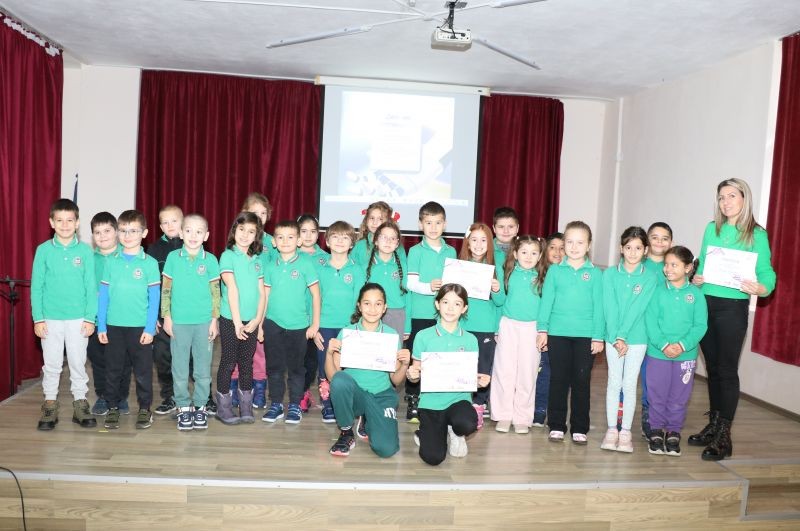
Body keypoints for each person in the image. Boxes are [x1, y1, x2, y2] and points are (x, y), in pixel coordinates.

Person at [690, 178, 776, 461]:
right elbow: (702, 264)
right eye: (721, 197)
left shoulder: (756, 234)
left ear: (744, 198)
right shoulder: (711, 228)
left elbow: (766, 273)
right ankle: (714, 426)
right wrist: (697, 277)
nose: (725, 202)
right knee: (713, 368)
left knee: (726, 370)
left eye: (731, 196)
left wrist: (761, 288)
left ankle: (724, 437)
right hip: (706, 304)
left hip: (733, 308)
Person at [31, 198, 97, 430]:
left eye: (70, 220)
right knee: (52, 364)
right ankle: (50, 404)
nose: (65, 225)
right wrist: (38, 318)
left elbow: (91, 287)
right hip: (50, 319)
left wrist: (90, 318)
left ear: (77, 223)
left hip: (78, 319)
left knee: (78, 363)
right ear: (52, 222)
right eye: (60, 220)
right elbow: (37, 287)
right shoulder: (43, 250)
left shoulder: (85, 251)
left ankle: (80, 403)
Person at [406, 284, 490, 465]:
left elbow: (469, 375)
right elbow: (416, 372)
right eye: (445, 302)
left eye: (457, 304)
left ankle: (455, 431)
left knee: (467, 423)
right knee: (433, 458)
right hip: (431, 402)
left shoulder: (470, 340)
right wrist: (412, 375)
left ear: (464, 308)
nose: (450, 308)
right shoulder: (423, 336)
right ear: (437, 304)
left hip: (458, 400)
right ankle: (426, 432)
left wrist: (479, 381)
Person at [537, 221, 604, 445]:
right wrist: (543, 329)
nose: (574, 247)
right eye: (570, 242)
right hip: (558, 334)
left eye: (580, 242)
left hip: (585, 336)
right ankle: (556, 425)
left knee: (581, 381)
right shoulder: (555, 271)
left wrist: (598, 336)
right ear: (564, 244)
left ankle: (579, 427)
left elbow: (599, 307)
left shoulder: (595, 274)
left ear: (589, 245)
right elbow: (546, 302)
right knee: (558, 380)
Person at [325, 283, 411, 457]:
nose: (372, 309)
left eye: (378, 304)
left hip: (381, 395)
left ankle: (368, 419)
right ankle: (346, 432)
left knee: (386, 449)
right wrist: (328, 353)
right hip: (355, 395)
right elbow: (333, 377)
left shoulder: (391, 335)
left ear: (385, 307)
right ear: (359, 306)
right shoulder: (347, 333)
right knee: (341, 380)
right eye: (367, 303)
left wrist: (404, 365)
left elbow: (395, 380)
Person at [97, 209, 161, 430]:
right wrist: (101, 325)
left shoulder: (150, 263)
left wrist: (150, 328)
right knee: (113, 370)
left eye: (133, 231)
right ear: (117, 232)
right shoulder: (111, 262)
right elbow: (103, 296)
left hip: (140, 328)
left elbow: (154, 299)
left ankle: (144, 409)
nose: (127, 235)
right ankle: (113, 407)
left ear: (144, 233)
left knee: (142, 372)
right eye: (123, 230)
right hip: (114, 327)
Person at [645, 246, 707, 456]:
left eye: (674, 265)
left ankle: (673, 431)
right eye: (666, 264)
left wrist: (682, 345)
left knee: (679, 396)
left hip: (685, 356)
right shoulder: (657, 292)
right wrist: (663, 345)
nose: (668, 269)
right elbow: (651, 321)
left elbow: (700, 326)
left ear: (688, 268)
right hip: (658, 353)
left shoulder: (696, 295)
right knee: (657, 393)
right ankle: (655, 430)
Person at [161, 214, 221, 431]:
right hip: (178, 323)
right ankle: (183, 407)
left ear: (206, 236)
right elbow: (166, 289)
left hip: (204, 323)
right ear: (181, 233)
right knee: (179, 368)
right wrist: (167, 316)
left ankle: (200, 406)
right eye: (188, 231)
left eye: (198, 231)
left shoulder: (211, 260)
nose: (193, 235)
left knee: (202, 370)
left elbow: (216, 293)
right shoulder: (173, 258)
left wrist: (214, 320)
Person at [600, 226, 657, 453]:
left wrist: (623, 335)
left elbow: (638, 308)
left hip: (637, 338)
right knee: (614, 382)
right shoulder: (609, 274)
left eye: (638, 248)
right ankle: (611, 429)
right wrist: (616, 337)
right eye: (628, 247)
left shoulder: (650, 277)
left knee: (630, 384)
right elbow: (609, 307)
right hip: (613, 338)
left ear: (645, 251)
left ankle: (625, 431)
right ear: (621, 249)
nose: (633, 252)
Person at [261, 220, 322, 424]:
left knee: (296, 368)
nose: (285, 241)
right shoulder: (270, 266)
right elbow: (265, 297)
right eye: (280, 237)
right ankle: (276, 404)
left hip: (299, 325)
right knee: (274, 367)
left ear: (298, 241)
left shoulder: (306, 264)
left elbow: (316, 295)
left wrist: (314, 324)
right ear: (274, 242)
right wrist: (260, 324)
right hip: (273, 323)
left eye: (290, 237)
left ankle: (295, 404)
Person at [404, 201, 457, 422]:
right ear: (420, 225)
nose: (433, 227)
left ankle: (437, 402)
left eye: (437, 223)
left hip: (444, 315)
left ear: (445, 224)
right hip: (420, 314)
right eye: (428, 223)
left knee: (439, 358)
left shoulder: (451, 251)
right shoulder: (415, 251)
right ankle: (413, 399)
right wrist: (429, 287)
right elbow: (410, 283)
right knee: (417, 358)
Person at [491, 235, 546, 434]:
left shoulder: (543, 277)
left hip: (532, 328)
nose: (528, 257)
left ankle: (522, 417)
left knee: (527, 373)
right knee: (504, 371)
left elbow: (546, 306)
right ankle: (503, 415)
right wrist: (496, 290)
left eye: (533, 253)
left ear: (540, 256)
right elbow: (499, 302)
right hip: (508, 325)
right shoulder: (508, 273)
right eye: (524, 252)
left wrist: (544, 331)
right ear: (515, 254)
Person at [215, 212, 266, 425]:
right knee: (228, 362)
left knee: (246, 363)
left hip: (251, 321)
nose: (245, 235)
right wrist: (237, 322)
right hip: (230, 320)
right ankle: (223, 407)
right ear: (234, 230)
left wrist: (257, 320)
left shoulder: (257, 261)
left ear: (256, 236)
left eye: (251, 231)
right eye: (242, 229)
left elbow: (262, 293)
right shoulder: (227, 256)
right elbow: (232, 288)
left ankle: (246, 406)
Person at [315, 221, 365, 423]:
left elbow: (359, 302)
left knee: (346, 366)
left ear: (352, 243)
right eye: (335, 236)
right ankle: (327, 403)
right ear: (327, 241)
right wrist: (314, 327)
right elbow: (313, 299)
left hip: (348, 327)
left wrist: (356, 328)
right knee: (324, 364)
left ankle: (345, 403)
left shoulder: (357, 269)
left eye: (345, 237)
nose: (340, 241)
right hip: (324, 325)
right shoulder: (319, 268)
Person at [229, 193, 275, 409]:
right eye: (254, 212)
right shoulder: (239, 240)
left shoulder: (272, 242)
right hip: (241, 302)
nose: (259, 216)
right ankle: (235, 386)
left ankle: (259, 387)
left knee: (259, 349)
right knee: (237, 346)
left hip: (262, 303)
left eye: (263, 213)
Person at [459, 223, 504, 428]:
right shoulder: (459, 266)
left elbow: (501, 302)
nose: (478, 244)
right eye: (474, 240)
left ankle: (479, 405)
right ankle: (461, 404)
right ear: (467, 243)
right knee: (462, 367)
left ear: (490, 243)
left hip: (485, 327)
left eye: (483, 240)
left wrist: (496, 289)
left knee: (483, 368)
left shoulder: (495, 267)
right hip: (462, 326)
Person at [86, 212, 132, 416]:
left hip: (123, 320)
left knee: (123, 362)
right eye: (97, 232)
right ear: (92, 236)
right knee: (99, 361)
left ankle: (121, 397)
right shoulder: (89, 259)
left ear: (116, 232)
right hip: (96, 320)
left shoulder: (128, 256)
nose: (102, 236)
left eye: (107, 231)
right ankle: (103, 396)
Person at [146, 204, 185, 417]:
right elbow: (149, 285)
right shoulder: (153, 250)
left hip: (190, 314)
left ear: (183, 222)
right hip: (163, 315)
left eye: (174, 221)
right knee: (163, 357)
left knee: (192, 357)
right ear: (160, 226)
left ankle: (202, 397)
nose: (170, 225)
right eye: (165, 222)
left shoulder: (193, 244)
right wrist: (152, 316)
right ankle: (169, 395)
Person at [638, 222, 673, 439]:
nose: (659, 242)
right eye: (654, 237)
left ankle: (657, 416)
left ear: (671, 242)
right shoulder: (638, 264)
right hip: (639, 330)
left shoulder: (673, 267)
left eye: (665, 238)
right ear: (647, 241)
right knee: (641, 376)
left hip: (663, 333)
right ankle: (642, 415)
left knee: (657, 378)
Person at [297, 214, 330, 413]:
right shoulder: (289, 254)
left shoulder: (326, 259)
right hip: (295, 317)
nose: (308, 236)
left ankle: (312, 392)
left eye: (313, 231)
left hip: (317, 319)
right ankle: (301, 391)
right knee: (298, 361)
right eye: (303, 231)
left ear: (319, 235)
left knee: (314, 359)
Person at [532, 232, 564, 427]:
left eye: (562, 248)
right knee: (540, 373)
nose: (557, 252)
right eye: (553, 247)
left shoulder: (569, 275)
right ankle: (537, 409)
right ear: (545, 250)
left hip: (560, 333)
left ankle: (549, 411)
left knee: (556, 375)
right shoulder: (537, 275)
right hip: (538, 332)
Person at [364, 220, 408, 340]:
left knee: (394, 351)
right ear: (376, 241)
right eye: (384, 237)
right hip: (371, 313)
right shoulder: (365, 266)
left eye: (392, 238)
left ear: (397, 243)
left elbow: (408, 296)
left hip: (396, 315)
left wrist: (407, 325)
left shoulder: (403, 266)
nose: (388, 241)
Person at [352, 201, 406, 266]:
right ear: (366, 220)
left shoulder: (396, 247)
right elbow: (351, 268)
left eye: (380, 219)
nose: (375, 222)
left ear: (389, 222)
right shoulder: (359, 245)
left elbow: (403, 268)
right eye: (372, 218)